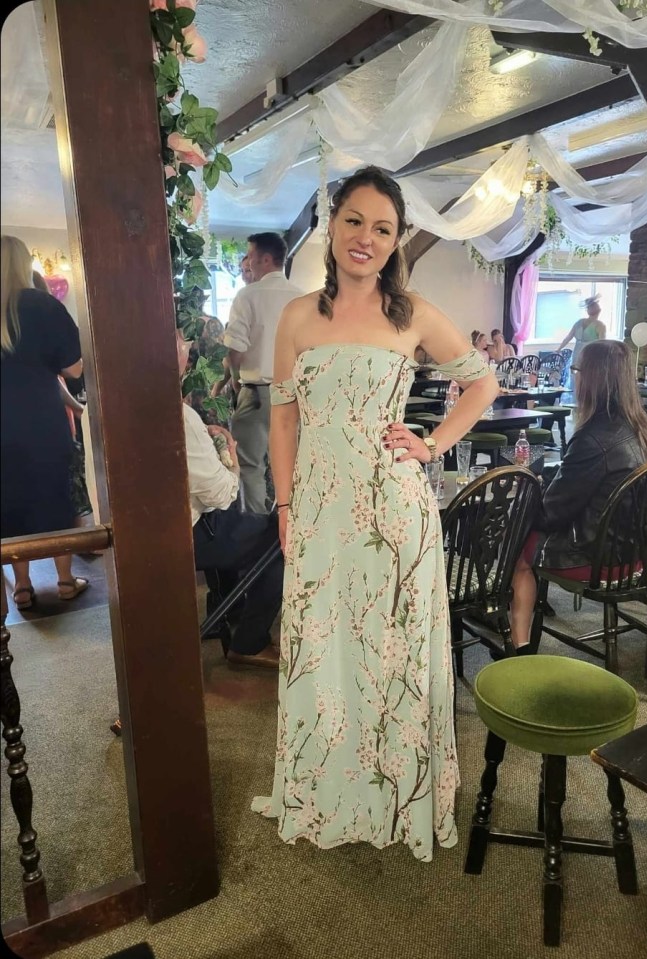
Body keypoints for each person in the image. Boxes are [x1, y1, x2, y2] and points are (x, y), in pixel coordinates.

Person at [252, 165, 499, 861]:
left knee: (390, 648)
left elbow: (482, 383)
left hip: (393, 508)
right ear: (332, 225)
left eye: (382, 228)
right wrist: (285, 501)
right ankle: (330, 783)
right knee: (325, 646)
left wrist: (431, 444)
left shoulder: (412, 312)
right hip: (320, 505)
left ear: (397, 241)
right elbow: (281, 422)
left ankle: (397, 787)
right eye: (355, 221)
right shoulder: (298, 315)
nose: (366, 238)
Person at [509, 339, 647, 652]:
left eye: (576, 369)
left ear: (591, 377)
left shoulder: (593, 438)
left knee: (518, 544)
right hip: (638, 550)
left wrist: (527, 490)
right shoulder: (641, 428)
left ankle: (518, 647)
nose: (573, 375)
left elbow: (552, 514)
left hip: (598, 556)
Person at [176, 329, 283, 668]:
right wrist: (231, 459)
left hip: (136, 536)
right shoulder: (179, 415)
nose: (187, 345)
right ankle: (249, 643)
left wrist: (204, 444)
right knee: (278, 534)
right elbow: (221, 495)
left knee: (239, 526)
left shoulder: (101, 406)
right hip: (186, 535)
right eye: (180, 340)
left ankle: (226, 614)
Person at [1, 235, 89, 607]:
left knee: (9, 504)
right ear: (24, 265)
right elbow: (73, 368)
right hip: (40, 422)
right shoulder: (42, 306)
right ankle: (66, 580)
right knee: (53, 499)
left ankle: (21, 587)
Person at [223, 233, 303, 513]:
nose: (247, 262)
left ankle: (257, 531)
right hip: (296, 396)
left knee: (250, 465)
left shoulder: (247, 296)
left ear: (266, 259)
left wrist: (233, 378)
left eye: (251, 256)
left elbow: (236, 348)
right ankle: (295, 523)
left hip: (257, 394)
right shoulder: (303, 297)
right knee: (295, 463)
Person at [558, 294, 606, 368]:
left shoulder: (579, 322)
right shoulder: (600, 326)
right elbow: (602, 345)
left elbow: (568, 338)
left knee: (575, 375)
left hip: (577, 354)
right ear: (599, 311)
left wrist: (558, 349)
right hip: (590, 355)